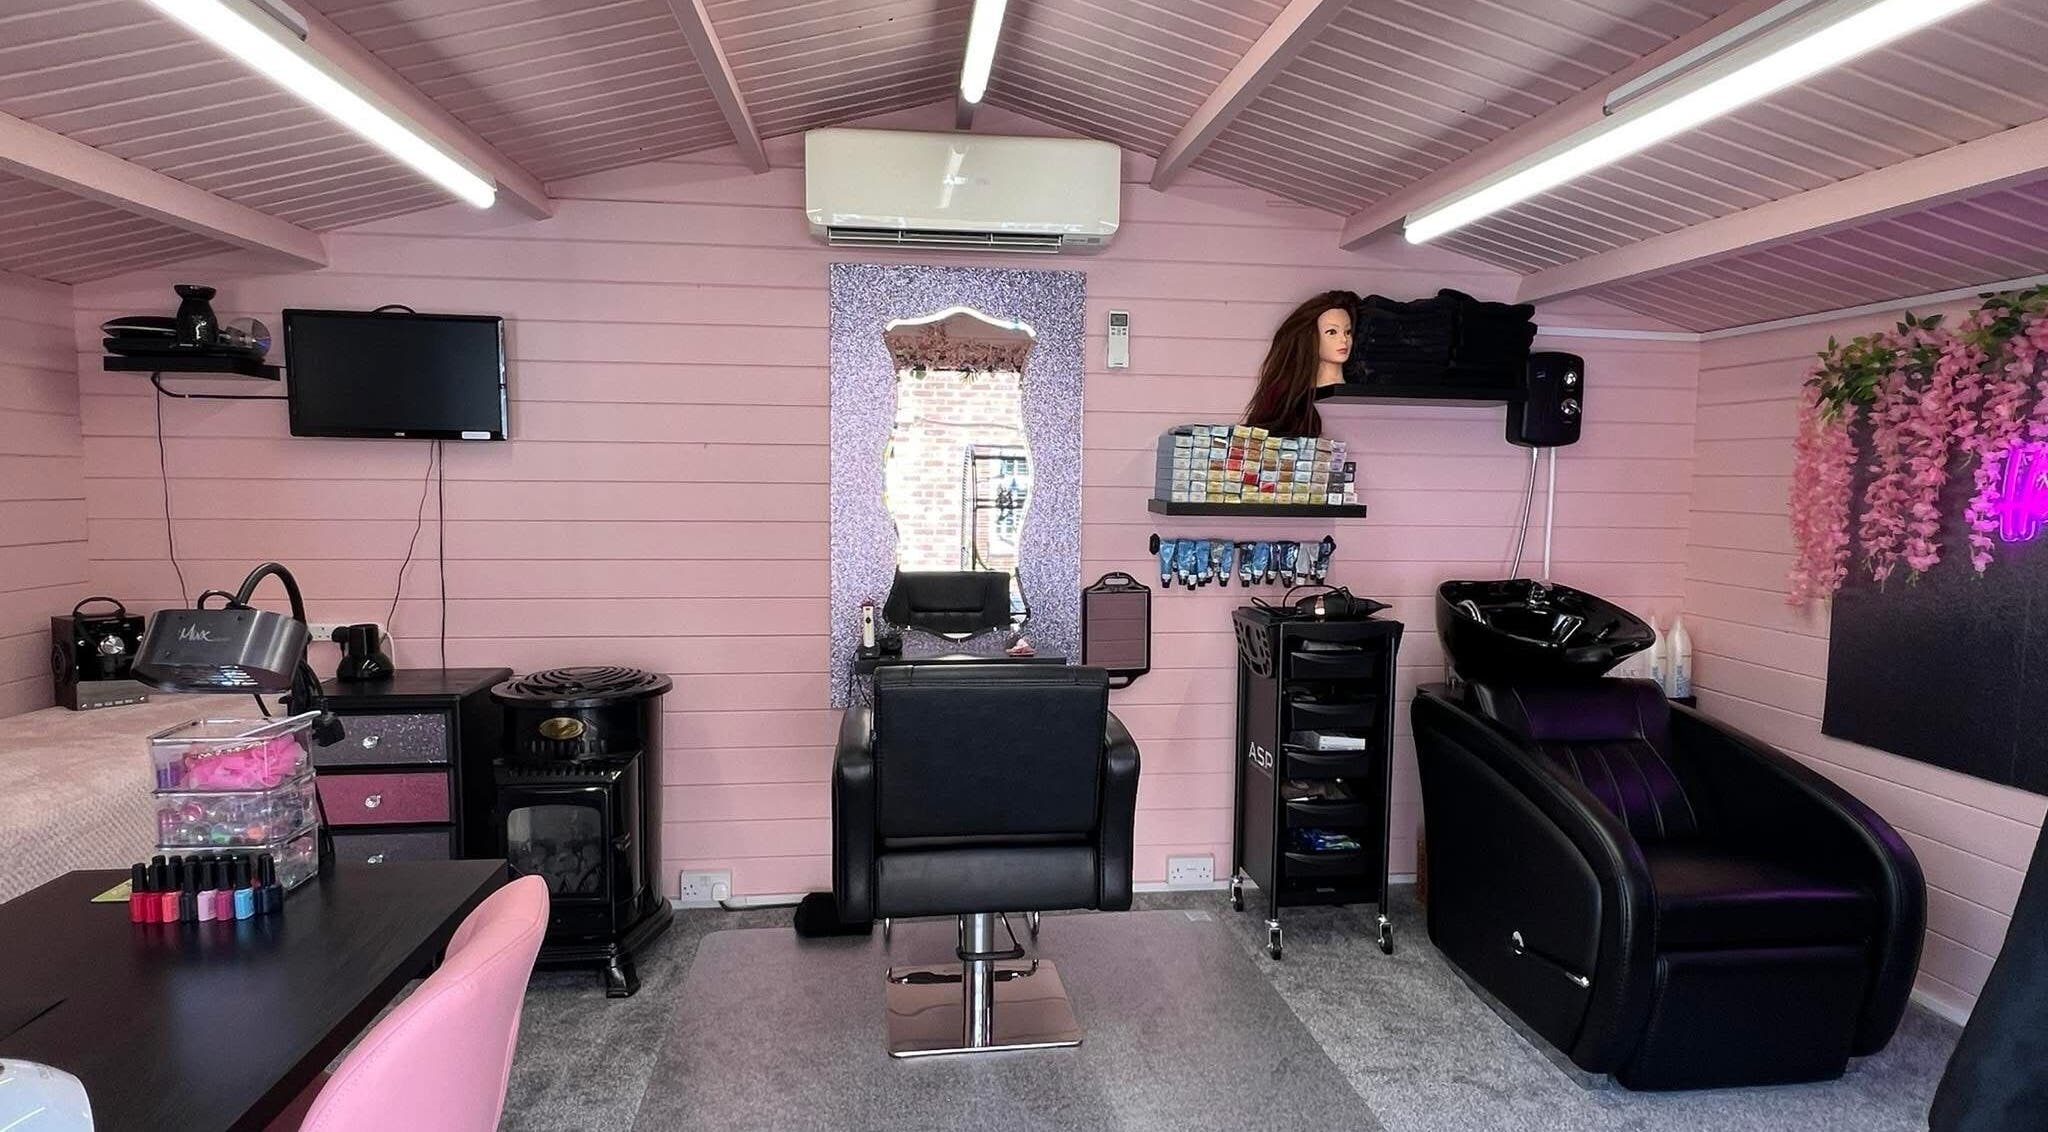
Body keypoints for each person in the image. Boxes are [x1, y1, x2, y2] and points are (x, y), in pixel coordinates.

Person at [1242, 291, 1356, 437]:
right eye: (1332, 332)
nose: (1344, 340)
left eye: (1348, 332)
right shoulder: (1291, 399)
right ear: (1311, 337)